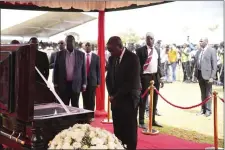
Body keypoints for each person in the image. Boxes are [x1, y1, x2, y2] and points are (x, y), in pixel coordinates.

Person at [106, 36, 141, 150]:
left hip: (129, 99)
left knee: (129, 130)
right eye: (108, 50)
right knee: (118, 129)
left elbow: (130, 82)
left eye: (111, 50)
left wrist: (116, 96)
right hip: (116, 100)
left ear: (120, 47)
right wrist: (111, 94)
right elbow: (108, 78)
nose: (110, 53)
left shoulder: (133, 58)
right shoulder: (112, 59)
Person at [135, 32, 164, 129]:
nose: (150, 40)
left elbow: (159, 64)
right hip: (145, 77)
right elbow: (138, 66)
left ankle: (153, 120)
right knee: (143, 99)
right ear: (145, 40)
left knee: (155, 99)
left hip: (155, 76)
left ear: (154, 39)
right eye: (148, 38)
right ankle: (141, 121)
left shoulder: (157, 50)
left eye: (151, 38)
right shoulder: (140, 50)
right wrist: (138, 79)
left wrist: (161, 77)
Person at [53, 35, 87, 107]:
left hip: (76, 84)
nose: (69, 43)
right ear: (65, 43)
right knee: (64, 106)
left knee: (75, 106)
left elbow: (83, 70)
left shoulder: (81, 54)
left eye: (71, 41)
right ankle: (65, 118)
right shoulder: (59, 54)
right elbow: (55, 70)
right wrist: (55, 84)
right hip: (63, 85)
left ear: (74, 42)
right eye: (68, 41)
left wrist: (84, 84)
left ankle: (75, 118)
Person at [194, 37, 217, 117]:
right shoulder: (199, 51)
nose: (200, 42)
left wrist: (212, 77)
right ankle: (203, 110)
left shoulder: (212, 50)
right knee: (203, 93)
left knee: (208, 93)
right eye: (199, 41)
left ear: (206, 42)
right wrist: (195, 75)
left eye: (201, 41)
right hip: (200, 75)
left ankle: (208, 111)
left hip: (208, 76)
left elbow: (214, 65)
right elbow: (196, 64)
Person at [82, 42, 100, 117]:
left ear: (91, 47)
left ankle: (91, 114)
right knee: (84, 97)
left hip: (93, 81)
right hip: (83, 81)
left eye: (89, 45)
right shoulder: (81, 56)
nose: (87, 47)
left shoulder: (96, 57)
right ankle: (85, 114)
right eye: (86, 45)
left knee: (91, 98)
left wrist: (98, 82)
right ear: (84, 47)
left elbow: (98, 70)